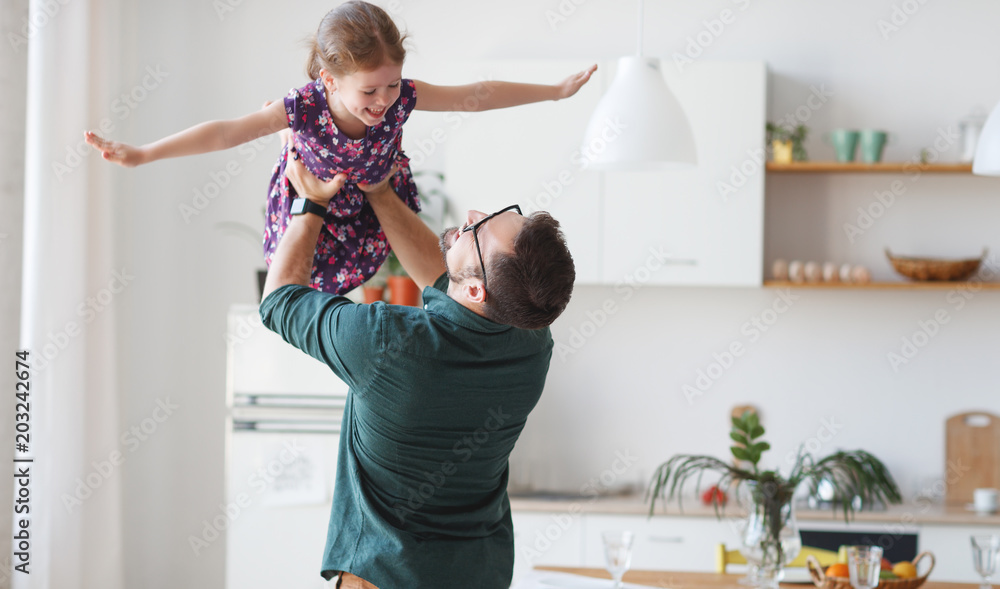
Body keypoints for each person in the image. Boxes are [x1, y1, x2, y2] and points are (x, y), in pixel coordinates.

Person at [84, 0, 595, 294]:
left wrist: (553, 92)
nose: (383, 101)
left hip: (372, 207)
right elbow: (225, 131)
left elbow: (474, 97)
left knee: (429, 279)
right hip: (319, 206)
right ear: (328, 80)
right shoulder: (304, 104)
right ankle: (291, 146)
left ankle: (295, 148)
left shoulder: (403, 96)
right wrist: (143, 153)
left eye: (391, 84)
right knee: (298, 290)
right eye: (368, 91)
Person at [258, 141, 575, 587]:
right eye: (494, 214)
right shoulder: (530, 342)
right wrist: (380, 192)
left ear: (478, 293)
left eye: (479, 231)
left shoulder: (385, 340)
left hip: (384, 576)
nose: (471, 216)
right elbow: (451, 283)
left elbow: (278, 302)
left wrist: (310, 202)